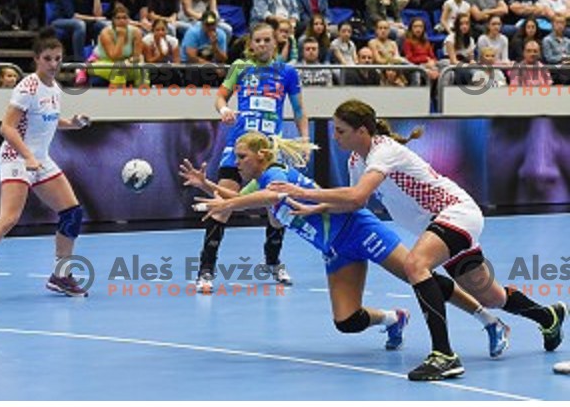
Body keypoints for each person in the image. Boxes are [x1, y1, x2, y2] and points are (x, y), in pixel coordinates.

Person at [269, 99, 567, 381]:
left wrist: (305, 192)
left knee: (415, 265)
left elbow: (357, 195)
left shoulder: (383, 151)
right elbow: (353, 203)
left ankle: (444, 355)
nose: (335, 137)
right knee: (491, 296)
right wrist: (315, 208)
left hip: (455, 213)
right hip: (437, 225)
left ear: (362, 131)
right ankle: (548, 316)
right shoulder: (356, 161)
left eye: (340, 130)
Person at [182, 131, 510, 358]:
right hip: (335, 250)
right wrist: (208, 184)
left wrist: (226, 206)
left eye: (242, 157)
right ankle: (394, 319)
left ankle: (490, 321)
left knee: (416, 273)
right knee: (346, 321)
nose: (237, 163)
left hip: (358, 229)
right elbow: (241, 197)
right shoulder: (259, 180)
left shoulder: (277, 174)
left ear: (261, 156)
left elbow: (269, 197)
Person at [0, 28, 92, 303]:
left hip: (39, 159)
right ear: (36, 59)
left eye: (58, 59)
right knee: (8, 219)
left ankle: (61, 275)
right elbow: (7, 128)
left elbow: (48, 121)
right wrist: (27, 157)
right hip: (16, 157)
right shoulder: (27, 87)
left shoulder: (55, 89)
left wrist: (72, 123)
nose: (53, 64)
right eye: (48, 58)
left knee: (72, 213)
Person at [190, 23, 309, 294]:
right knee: (222, 205)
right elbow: (220, 97)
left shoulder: (287, 72)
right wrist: (224, 110)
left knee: (277, 212)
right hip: (239, 147)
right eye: (258, 40)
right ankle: (205, 271)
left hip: (269, 152)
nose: (263, 44)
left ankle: (272, 261)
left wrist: (303, 140)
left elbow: (300, 110)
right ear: (251, 44)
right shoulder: (240, 67)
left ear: (275, 44)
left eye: (268, 40)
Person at [89, 3, 145, 86]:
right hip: (101, 62)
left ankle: (143, 98)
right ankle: (117, 98)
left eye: (124, 18)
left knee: (143, 71)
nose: (122, 20)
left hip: (126, 63)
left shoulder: (136, 32)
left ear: (128, 19)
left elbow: (137, 56)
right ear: (113, 20)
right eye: (118, 18)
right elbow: (114, 56)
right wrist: (121, 37)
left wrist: (129, 61)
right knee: (119, 70)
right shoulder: (105, 33)